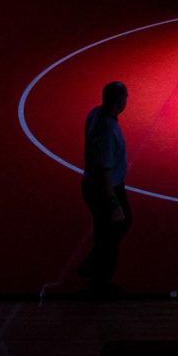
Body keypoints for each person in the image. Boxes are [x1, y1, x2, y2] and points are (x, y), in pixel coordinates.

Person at [77, 81, 131, 295]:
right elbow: (103, 172)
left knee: (109, 230)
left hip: (96, 184)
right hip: (106, 188)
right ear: (120, 101)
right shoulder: (107, 131)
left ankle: (92, 267)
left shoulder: (95, 115)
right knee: (111, 230)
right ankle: (99, 282)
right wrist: (112, 203)